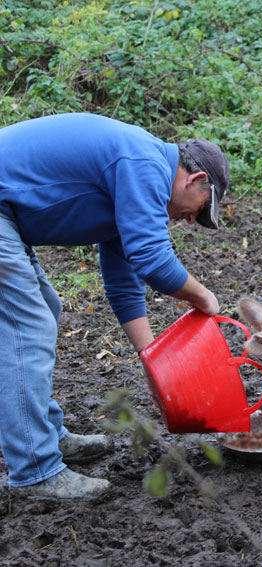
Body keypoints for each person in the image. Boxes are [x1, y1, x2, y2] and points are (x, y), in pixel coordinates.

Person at [0, 113, 230, 501]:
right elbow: (152, 260)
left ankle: (47, 435)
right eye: (200, 209)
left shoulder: (135, 179)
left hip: (9, 218)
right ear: (196, 179)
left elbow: (124, 283)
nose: (192, 220)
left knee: (45, 308)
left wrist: (151, 357)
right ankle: (35, 469)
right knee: (29, 327)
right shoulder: (144, 164)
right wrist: (203, 297)